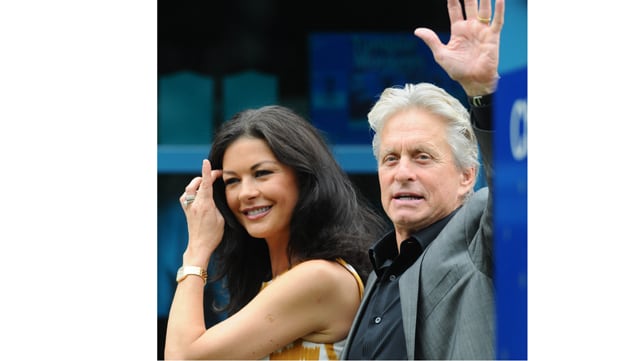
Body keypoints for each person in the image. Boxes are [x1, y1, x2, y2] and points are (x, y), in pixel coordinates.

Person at [341, 0, 505, 359]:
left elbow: (518, 190)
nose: (403, 173)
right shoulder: (380, 271)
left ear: (467, 176)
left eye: (422, 157)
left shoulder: (479, 241)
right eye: (390, 159)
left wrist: (484, 92)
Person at [164, 105, 388, 360]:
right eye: (232, 181)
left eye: (262, 173)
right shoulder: (275, 281)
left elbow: (182, 356)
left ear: (303, 177)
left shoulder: (319, 277)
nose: (246, 192)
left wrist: (196, 250)